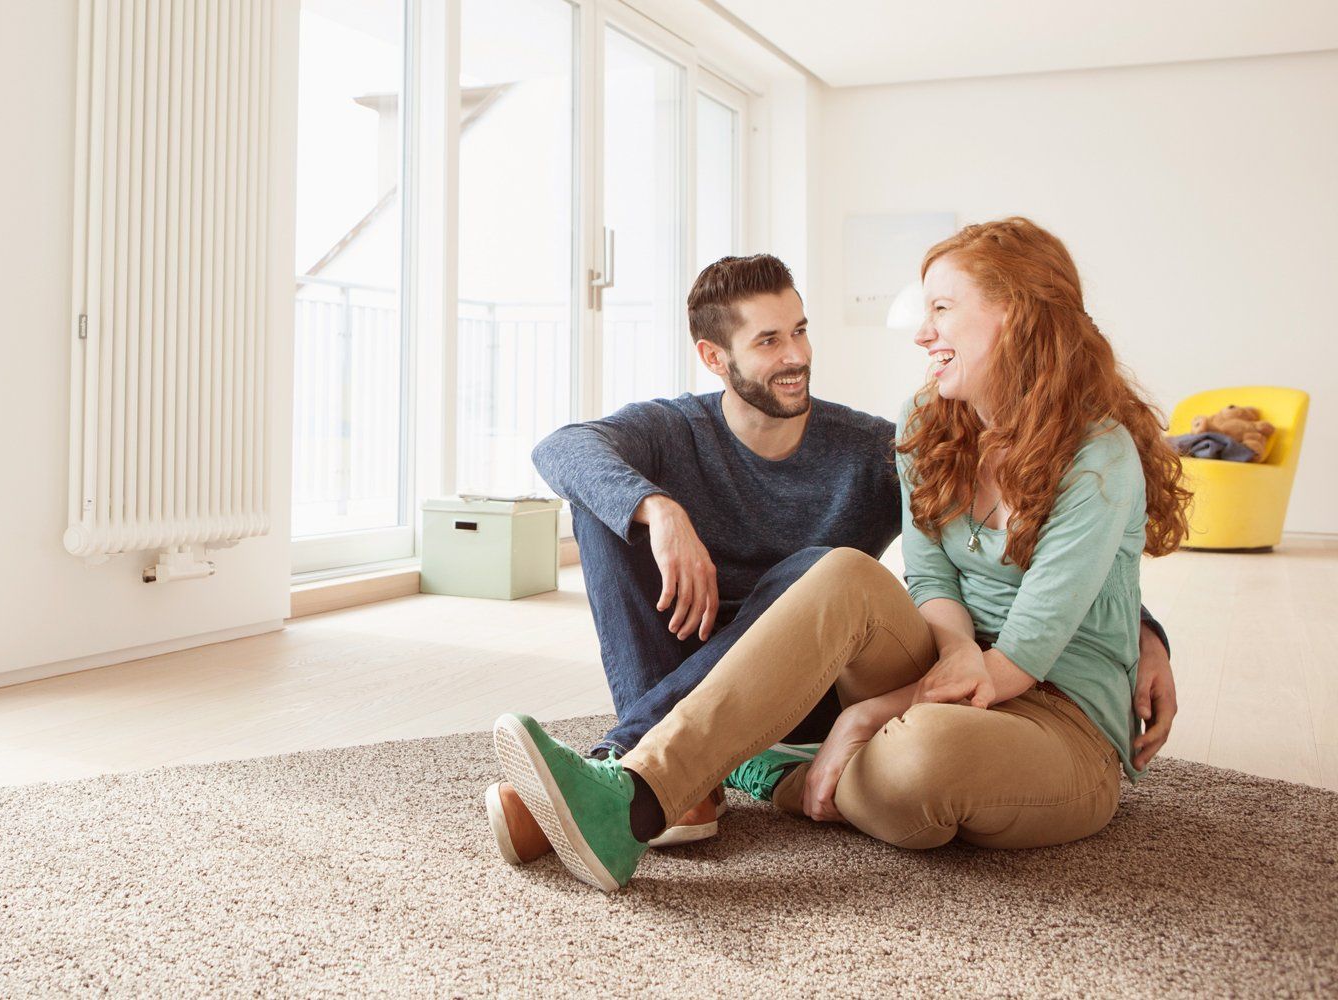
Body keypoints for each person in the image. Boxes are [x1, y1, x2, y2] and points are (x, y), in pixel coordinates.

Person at [489, 217, 1192, 892]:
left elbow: (1049, 614)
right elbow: (932, 576)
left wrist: (1140, 628)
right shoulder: (925, 424)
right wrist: (659, 509)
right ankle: (643, 790)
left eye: (942, 309)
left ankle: (757, 773)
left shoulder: (1088, 457)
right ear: (714, 357)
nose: (922, 332)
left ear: (1016, 315)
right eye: (769, 340)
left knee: (913, 749)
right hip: (883, 673)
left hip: (1046, 711)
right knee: (799, 560)